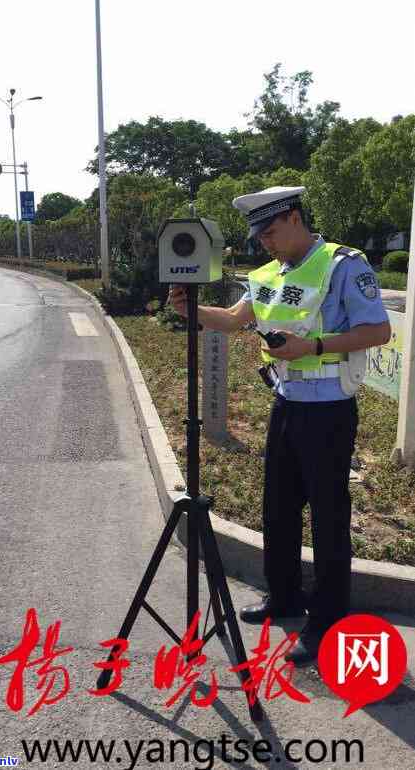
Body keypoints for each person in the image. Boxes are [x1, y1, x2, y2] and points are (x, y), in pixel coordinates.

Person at [168, 186, 391, 665]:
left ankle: (328, 618)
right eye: (258, 235)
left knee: (329, 516)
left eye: (270, 231)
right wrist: (190, 311)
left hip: (330, 409)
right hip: (286, 403)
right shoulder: (267, 274)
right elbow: (231, 320)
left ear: (294, 218)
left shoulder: (342, 263)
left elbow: (378, 331)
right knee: (279, 507)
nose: (264, 242)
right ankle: (284, 596)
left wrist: (311, 347)